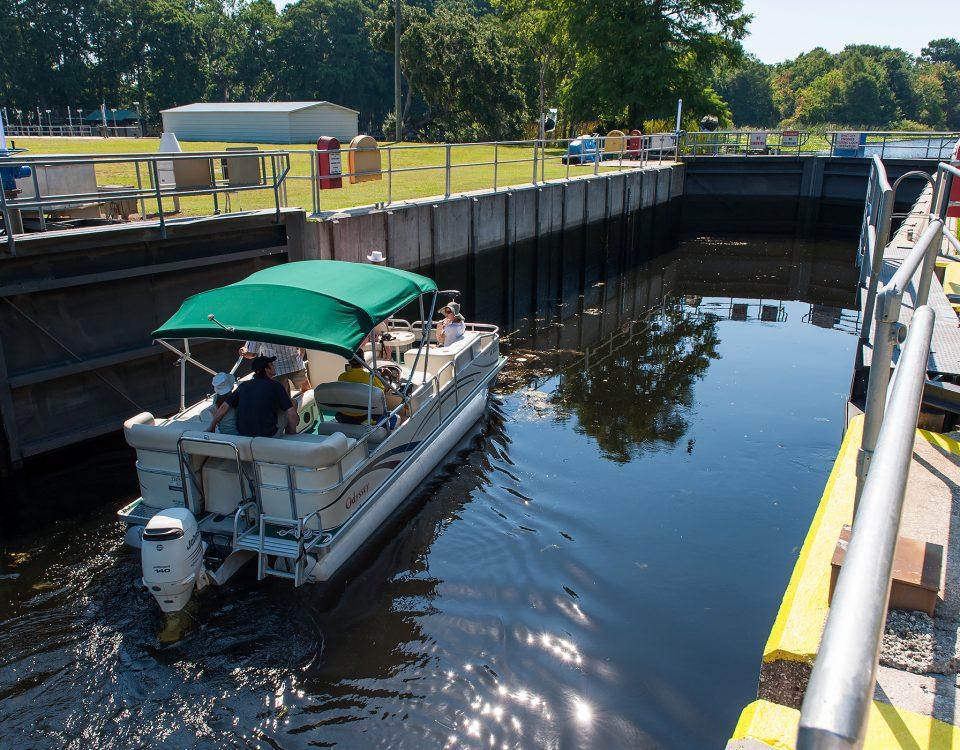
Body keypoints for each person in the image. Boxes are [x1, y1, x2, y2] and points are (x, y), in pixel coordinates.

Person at [207, 355, 298, 437]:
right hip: (269, 434)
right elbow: (291, 413)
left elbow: (223, 407)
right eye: (272, 365)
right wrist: (294, 434)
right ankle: (290, 435)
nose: (274, 367)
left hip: (244, 434)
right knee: (292, 402)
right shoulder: (276, 385)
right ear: (266, 369)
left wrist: (212, 427)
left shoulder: (243, 386)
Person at [240, 341, 311, 394]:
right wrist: (301, 356)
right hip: (295, 364)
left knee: (284, 399)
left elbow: (252, 354)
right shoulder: (291, 322)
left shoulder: (259, 328)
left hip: (275, 370)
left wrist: (242, 352)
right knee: (307, 390)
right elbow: (302, 341)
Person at [335, 359, 387, 425]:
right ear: (363, 362)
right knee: (393, 417)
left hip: (343, 417)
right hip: (364, 418)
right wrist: (385, 378)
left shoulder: (341, 377)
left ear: (349, 363)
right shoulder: (370, 377)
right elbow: (382, 394)